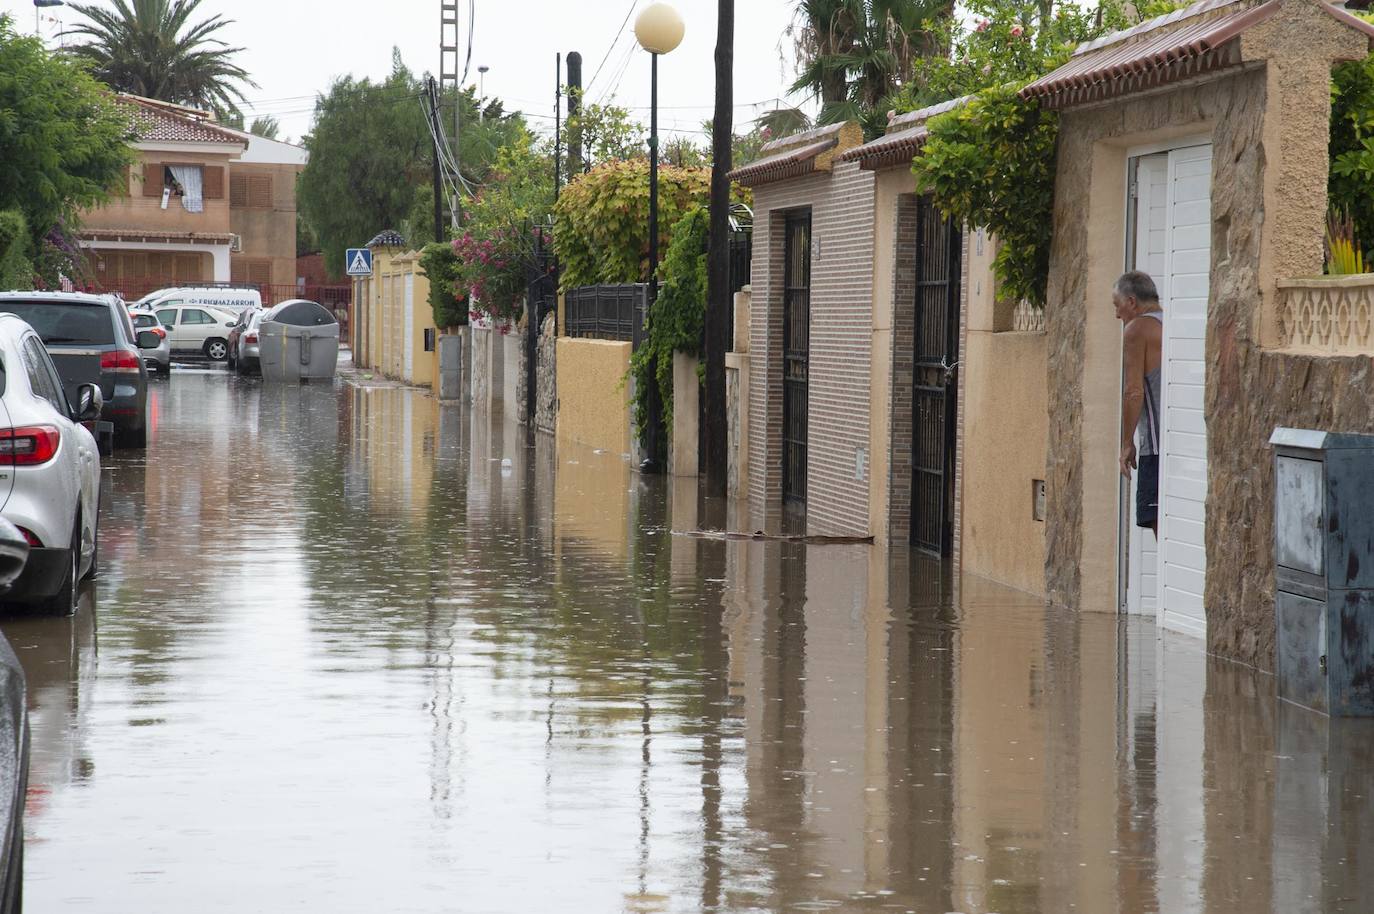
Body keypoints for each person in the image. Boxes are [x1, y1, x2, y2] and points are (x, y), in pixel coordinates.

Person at [1115, 271, 1163, 533]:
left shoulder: (1137, 329)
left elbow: (1133, 391)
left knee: (1158, 524)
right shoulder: (1171, 321)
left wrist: (1126, 444)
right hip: (1179, 443)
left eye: (1117, 306)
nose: (1117, 315)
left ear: (1132, 302)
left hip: (1155, 447)